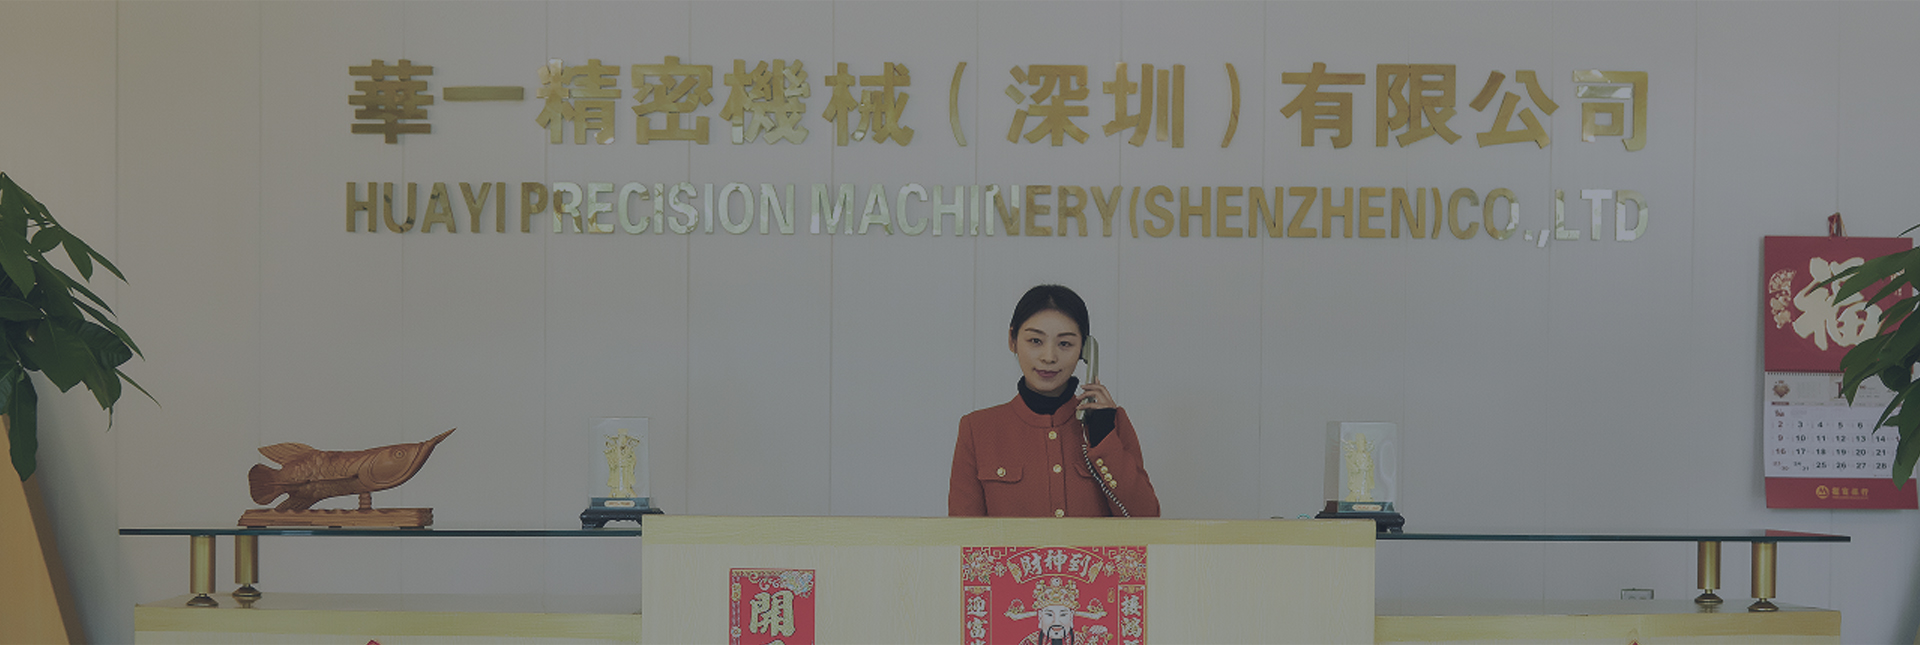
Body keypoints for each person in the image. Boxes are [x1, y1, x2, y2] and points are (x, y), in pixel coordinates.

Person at [949, 284, 1161, 517]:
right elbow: (962, 532)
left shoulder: (1112, 424)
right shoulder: (977, 429)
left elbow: (1147, 519)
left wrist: (1103, 438)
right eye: (1035, 341)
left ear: (1084, 350)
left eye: (1065, 344)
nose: (1049, 357)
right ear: (1012, 340)